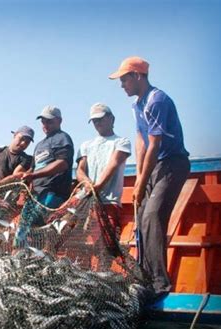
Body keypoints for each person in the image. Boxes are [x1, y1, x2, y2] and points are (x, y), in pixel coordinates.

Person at [109, 56, 190, 298]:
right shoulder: (137, 105)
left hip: (173, 164)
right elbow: (141, 142)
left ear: (138, 76)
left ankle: (160, 285)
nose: (122, 85)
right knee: (142, 216)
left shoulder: (157, 100)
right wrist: (139, 178)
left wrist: (142, 182)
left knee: (153, 216)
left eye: (124, 79)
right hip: (154, 166)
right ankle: (144, 279)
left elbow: (156, 144)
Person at [76, 103, 131, 232]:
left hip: (108, 202)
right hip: (85, 198)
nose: (97, 123)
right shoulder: (86, 145)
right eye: (94, 120)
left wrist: (98, 186)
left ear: (112, 118)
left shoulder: (122, 142)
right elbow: (80, 170)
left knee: (108, 243)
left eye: (100, 119)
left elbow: (114, 163)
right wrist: (87, 183)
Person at [22, 105, 74, 208]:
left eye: (49, 121)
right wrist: (25, 177)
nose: (45, 125)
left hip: (53, 194)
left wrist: (34, 176)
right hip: (36, 194)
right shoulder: (39, 144)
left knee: (42, 222)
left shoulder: (62, 138)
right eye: (43, 122)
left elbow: (62, 164)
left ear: (59, 120)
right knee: (23, 224)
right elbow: (33, 168)